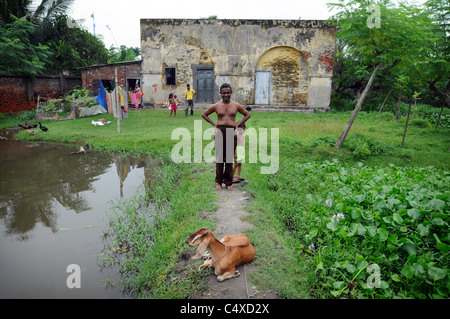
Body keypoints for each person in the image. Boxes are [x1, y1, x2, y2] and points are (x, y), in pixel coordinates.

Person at [202, 83, 250, 191]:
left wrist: (238, 124)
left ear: (231, 93)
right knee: (219, 158)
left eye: (228, 92)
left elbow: (247, 114)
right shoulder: (216, 105)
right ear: (220, 94)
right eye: (224, 93)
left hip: (231, 132)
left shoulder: (236, 105)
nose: (226, 95)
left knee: (229, 158)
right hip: (219, 131)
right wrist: (214, 124)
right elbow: (204, 114)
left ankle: (228, 182)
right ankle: (219, 182)